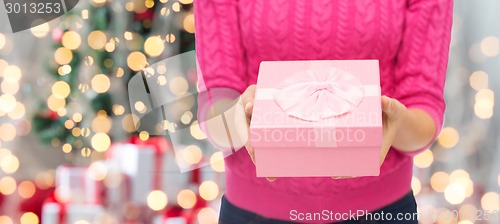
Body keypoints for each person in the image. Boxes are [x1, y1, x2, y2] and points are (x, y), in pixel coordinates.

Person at [194, 0, 453, 223]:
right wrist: (239, 117)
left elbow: (424, 110)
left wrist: (397, 120)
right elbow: (215, 109)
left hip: (382, 211)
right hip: (253, 213)